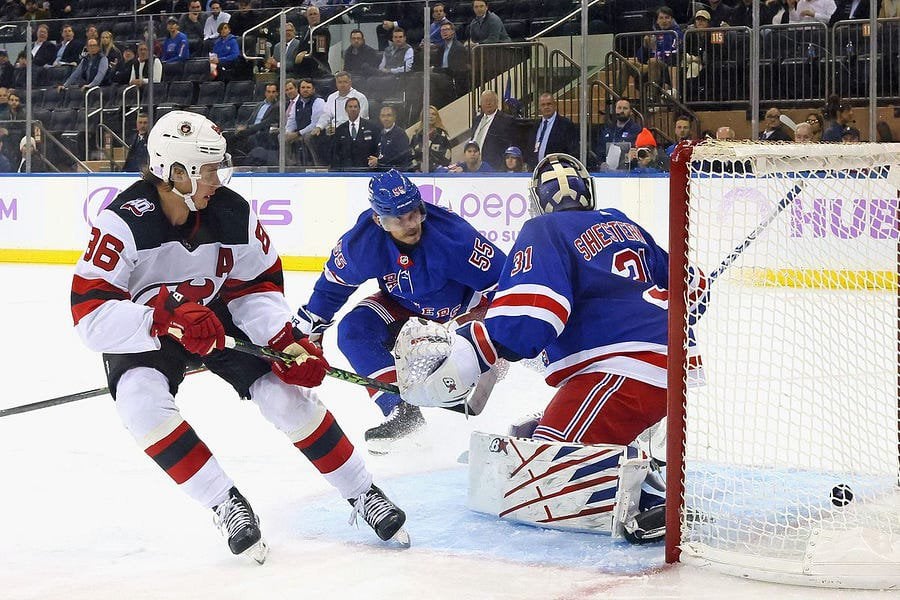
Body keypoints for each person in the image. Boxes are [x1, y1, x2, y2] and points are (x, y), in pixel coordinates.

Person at [70, 110, 408, 562]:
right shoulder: (122, 223)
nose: (217, 179)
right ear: (175, 172)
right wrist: (164, 319)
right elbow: (90, 315)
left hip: (215, 318)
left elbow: (256, 286)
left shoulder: (232, 212)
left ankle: (363, 492)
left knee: (285, 396)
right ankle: (224, 502)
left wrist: (284, 340)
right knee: (139, 402)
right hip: (148, 324)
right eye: (208, 170)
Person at [395, 153, 692, 544]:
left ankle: (650, 496)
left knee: (541, 479)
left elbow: (535, 316)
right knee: (536, 433)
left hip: (623, 371)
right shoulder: (624, 224)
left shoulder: (544, 229)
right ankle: (630, 461)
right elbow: (692, 289)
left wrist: (475, 349)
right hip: (665, 365)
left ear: (536, 200)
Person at [291, 169, 505, 454]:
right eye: (398, 219)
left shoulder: (456, 239)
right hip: (402, 307)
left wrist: (498, 336)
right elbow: (332, 288)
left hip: (463, 311)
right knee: (353, 331)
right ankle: (402, 413)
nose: (410, 225)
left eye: (414, 214)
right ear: (378, 220)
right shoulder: (362, 244)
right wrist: (307, 330)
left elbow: (506, 287)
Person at [469, 89, 515, 172]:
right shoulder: (476, 120)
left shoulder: (506, 120)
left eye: (491, 100)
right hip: (473, 168)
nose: (488, 103)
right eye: (485, 101)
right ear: (481, 104)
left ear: (497, 102)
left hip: (494, 169)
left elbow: (509, 146)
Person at [528, 92, 578, 166]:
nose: (546, 107)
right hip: (536, 170)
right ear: (539, 108)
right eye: (543, 105)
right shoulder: (535, 126)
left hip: (557, 169)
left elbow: (572, 151)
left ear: (555, 105)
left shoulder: (565, 124)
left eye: (549, 104)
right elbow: (530, 149)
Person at [330, 97, 379, 171]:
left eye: (355, 107)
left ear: (359, 109)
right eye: (350, 107)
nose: (353, 109)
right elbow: (335, 152)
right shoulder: (340, 129)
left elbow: (377, 147)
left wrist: (377, 160)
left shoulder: (371, 127)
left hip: (367, 170)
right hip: (346, 171)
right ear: (346, 110)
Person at [596, 98, 643, 167]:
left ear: (631, 112)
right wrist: (601, 163)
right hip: (607, 170)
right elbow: (600, 150)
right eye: (619, 108)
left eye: (625, 108)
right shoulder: (608, 129)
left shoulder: (636, 130)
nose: (621, 111)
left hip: (629, 169)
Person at [409, 105, 452, 172]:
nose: (431, 116)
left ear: (437, 117)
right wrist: (416, 169)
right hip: (419, 173)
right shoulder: (416, 135)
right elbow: (411, 154)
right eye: (428, 114)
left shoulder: (443, 135)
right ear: (423, 116)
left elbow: (448, 156)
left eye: (433, 114)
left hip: (438, 173)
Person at [368, 105, 411, 171]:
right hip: (381, 172)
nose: (386, 119)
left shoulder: (400, 134)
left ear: (394, 117)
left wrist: (379, 161)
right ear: (380, 118)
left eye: (389, 115)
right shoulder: (380, 134)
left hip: (396, 173)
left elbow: (399, 156)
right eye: (383, 116)